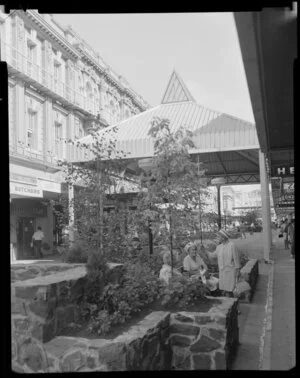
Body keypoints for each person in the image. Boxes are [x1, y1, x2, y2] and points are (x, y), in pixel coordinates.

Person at [206, 229, 241, 297]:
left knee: (230, 289)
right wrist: (205, 250)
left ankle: (230, 302)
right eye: (218, 236)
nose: (218, 238)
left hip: (230, 271)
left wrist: (238, 270)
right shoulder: (219, 247)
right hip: (222, 271)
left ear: (224, 237)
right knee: (225, 289)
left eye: (219, 236)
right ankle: (229, 302)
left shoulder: (232, 245)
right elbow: (212, 256)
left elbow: (236, 259)